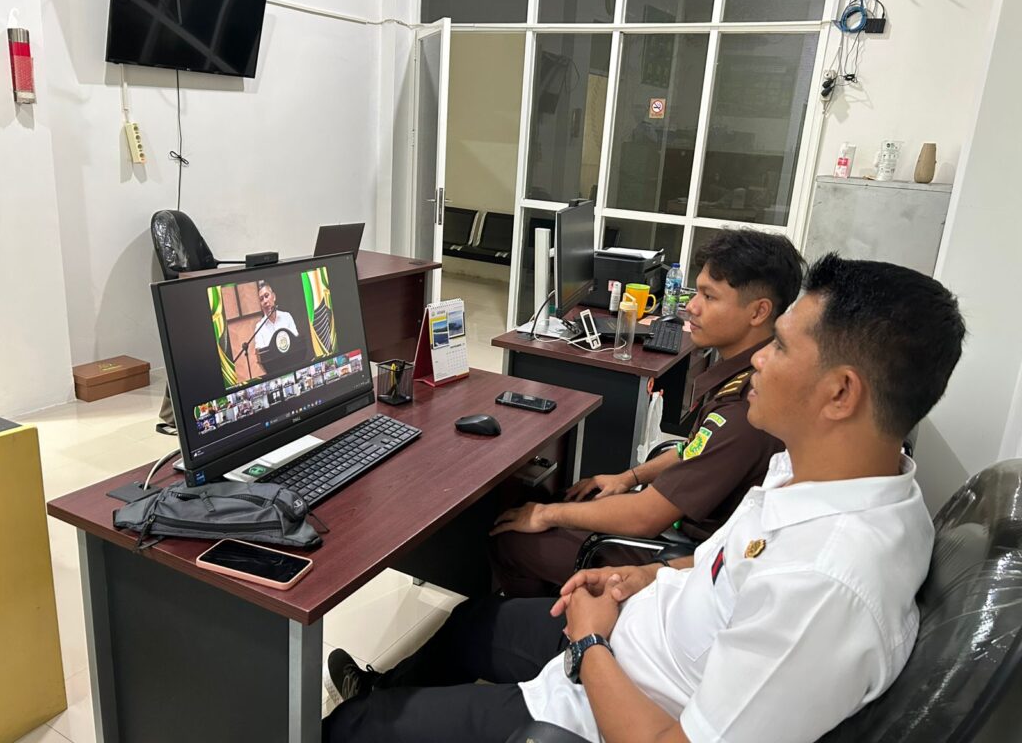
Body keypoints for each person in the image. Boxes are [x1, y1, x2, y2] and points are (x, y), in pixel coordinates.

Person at [320, 254, 966, 743]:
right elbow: (727, 564)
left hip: (597, 703)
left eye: (781, 347)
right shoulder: (822, 475)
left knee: (354, 728)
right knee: (473, 623)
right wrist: (644, 576)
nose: (759, 362)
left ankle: (370, 714)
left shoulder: (824, 585)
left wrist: (589, 647)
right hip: (633, 630)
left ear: (840, 393)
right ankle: (385, 691)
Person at [490, 229, 804, 596]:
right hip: (681, 525)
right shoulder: (746, 375)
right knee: (570, 498)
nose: (692, 307)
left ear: (759, 311)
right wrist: (628, 476)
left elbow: (645, 517)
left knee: (513, 538)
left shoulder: (747, 408)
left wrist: (545, 515)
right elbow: (694, 449)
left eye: (709, 296)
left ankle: (552, 623)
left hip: (684, 559)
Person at [253, 280, 299, 351]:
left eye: (266, 296)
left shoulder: (287, 317)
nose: (265, 301)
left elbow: (296, 340)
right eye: (261, 299)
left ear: (274, 297)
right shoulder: (259, 327)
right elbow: (261, 352)